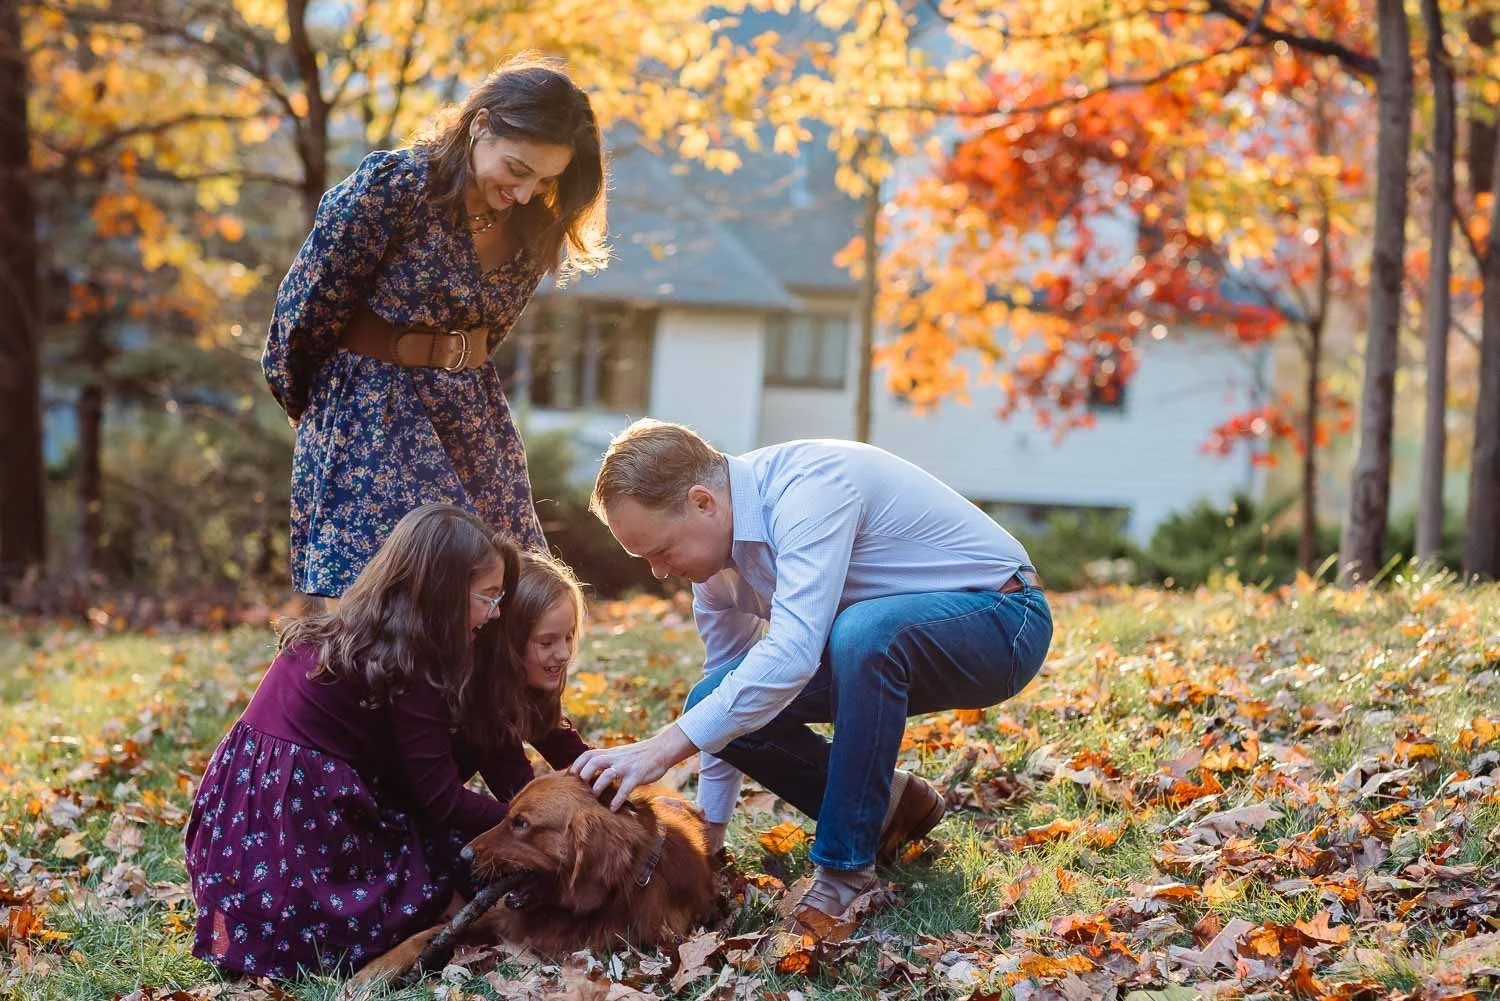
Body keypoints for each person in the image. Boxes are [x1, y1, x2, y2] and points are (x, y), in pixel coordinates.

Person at [569, 420, 1051, 931]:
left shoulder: (809, 489)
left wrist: (661, 749)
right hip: (882, 640)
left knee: (862, 633)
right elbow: (727, 695)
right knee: (713, 698)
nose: (659, 572)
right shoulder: (715, 575)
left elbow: (795, 653)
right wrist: (709, 833)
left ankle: (844, 871)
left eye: (662, 551)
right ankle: (891, 805)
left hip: (1003, 619)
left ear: (702, 502)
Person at [182, 505, 590, 979]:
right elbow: (439, 799)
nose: (495, 614)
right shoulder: (413, 667)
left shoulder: (371, 632)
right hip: (296, 817)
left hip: (246, 811)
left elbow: (508, 757)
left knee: (455, 854)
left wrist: (587, 788)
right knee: (437, 873)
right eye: (487, 598)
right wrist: (528, 826)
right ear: (441, 596)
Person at [262, 54, 608, 599]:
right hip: (372, 415)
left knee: (514, 588)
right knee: (407, 596)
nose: (524, 191)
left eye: (545, 180)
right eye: (517, 170)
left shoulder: (534, 222)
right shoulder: (391, 191)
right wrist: (324, 417)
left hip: (474, 417)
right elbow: (301, 318)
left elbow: (491, 337)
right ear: (480, 125)